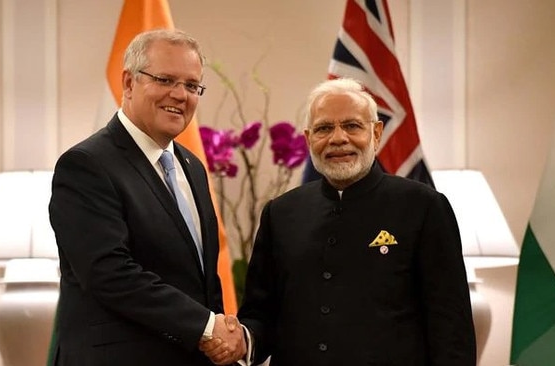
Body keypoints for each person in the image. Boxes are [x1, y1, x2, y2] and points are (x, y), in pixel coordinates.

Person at [233, 78, 477, 365]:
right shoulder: (280, 213)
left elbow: (451, 327)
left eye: (352, 126)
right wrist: (237, 341)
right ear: (309, 138)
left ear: (376, 133)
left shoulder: (423, 207)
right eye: (324, 128)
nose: (338, 139)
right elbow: (261, 315)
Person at [48, 29, 246, 366]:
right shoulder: (86, 165)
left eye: (191, 85)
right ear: (128, 83)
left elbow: (201, 280)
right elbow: (109, 273)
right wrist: (207, 326)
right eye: (166, 79)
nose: (180, 95)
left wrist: (220, 337)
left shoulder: (193, 167)